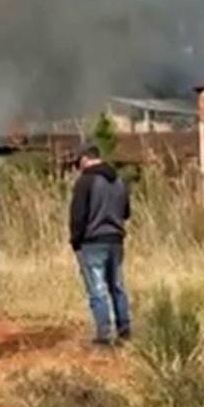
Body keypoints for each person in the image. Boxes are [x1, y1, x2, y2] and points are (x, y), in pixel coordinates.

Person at [69, 142, 132, 346]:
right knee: (117, 286)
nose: (78, 167)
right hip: (116, 240)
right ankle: (124, 330)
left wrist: (75, 242)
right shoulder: (119, 180)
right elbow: (126, 212)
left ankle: (104, 335)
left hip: (92, 241)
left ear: (85, 159)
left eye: (78, 162)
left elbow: (78, 216)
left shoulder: (85, 181)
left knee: (97, 289)